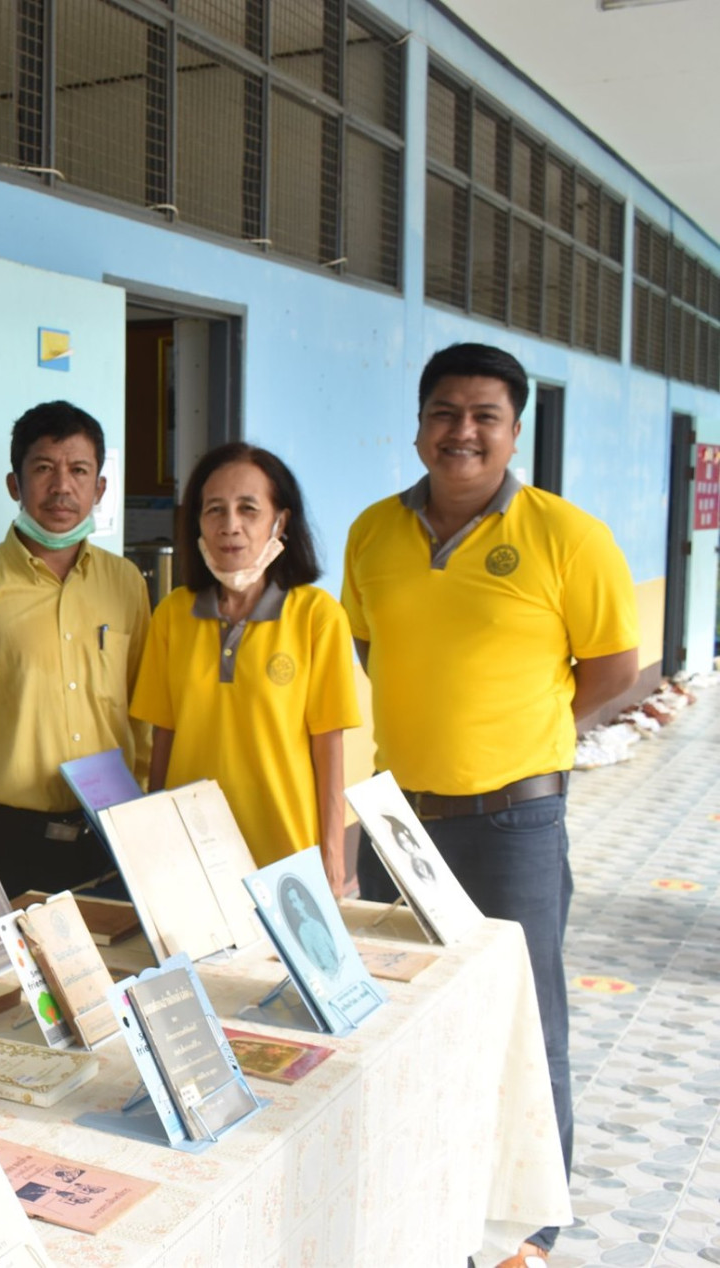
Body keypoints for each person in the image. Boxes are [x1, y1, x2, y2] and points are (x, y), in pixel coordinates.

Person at [342, 342, 638, 1268]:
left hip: (515, 820)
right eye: (444, 413)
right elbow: (367, 645)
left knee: (525, 1018)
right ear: (420, 422)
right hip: (401, 820)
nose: (461, 433)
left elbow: (613, 668)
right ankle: (424, 1189)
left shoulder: (568, 536)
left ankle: (529, 1230)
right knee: (410, 1015)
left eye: (483, 417)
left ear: (513, 431)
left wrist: (522, 742)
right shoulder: (371, 533)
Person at [131, 442, 360, 887]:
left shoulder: (317, 615)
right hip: (190, 855)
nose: (230, 526)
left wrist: (332, 855)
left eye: (248, 509)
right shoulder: (172, 615)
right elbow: (165, 739)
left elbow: (328, 749)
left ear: (281, 521)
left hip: (286, 856)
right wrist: (151, 840)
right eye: (214, 510)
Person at [0, 400, 151, 899]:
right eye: (43, 469)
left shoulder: (125, 583)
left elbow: (144, 709)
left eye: (79, 470)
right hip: (5, 834)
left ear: (99, 488)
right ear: (14, 485)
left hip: (111, 830)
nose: (62, 487)